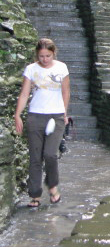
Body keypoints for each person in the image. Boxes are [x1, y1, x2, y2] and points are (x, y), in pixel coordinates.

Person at [13, 38, 70, 208]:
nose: (45, 59)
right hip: (35, 116)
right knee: (35, 157)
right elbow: (24, 94)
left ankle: (52, 186)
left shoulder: (61, 68)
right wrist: (17, 115)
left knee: (50, 154)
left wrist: (65, 113)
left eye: (48, 56)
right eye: (41, 56)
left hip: (56, 115)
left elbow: (66, 91)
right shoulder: (31, 69)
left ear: (53, 54)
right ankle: (35, 195)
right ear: (37, 55)